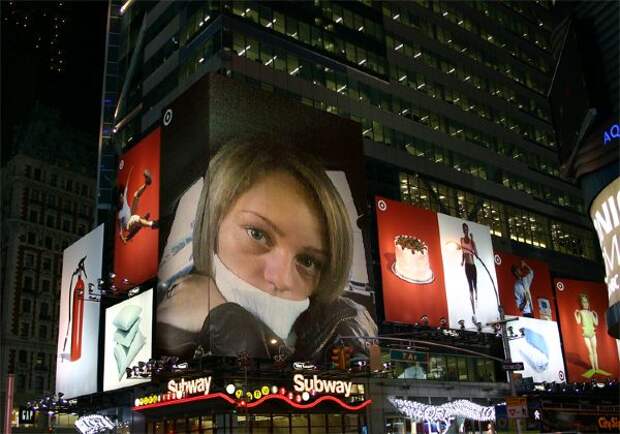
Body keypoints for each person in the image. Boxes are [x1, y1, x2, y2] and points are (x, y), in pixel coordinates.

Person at [156, 137, 377, 363]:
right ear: (212, 228)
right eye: (257, 234)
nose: (281, 279)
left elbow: (370, 375)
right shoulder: (158, 327)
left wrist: (228, 322)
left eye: (307, 261)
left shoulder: (346, 327)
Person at [574, 293, 611, 378]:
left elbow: (596, 323)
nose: (585, 304)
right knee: (590, 351)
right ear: (581, 303)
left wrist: (596, 315)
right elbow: (578, 322)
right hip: (586, 334)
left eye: (586, 302)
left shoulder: (591, 313)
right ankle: (593, 368)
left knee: (595, 351)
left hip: (592, 334)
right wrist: (575, 314)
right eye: (584, 302)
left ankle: (597, 368)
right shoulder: (581, 312)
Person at [117, 168, 158, 243]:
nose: (122, 198)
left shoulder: (123, 197)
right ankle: (153, 224)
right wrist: (123, 236)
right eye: (121, 198)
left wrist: (130, 171)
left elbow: (126, 184)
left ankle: (146, 183)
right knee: (134, 218)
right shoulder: (120, 213)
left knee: (136, 195)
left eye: (122, 196)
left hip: (131, 213)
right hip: (129, 226)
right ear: (118, 201)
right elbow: (120, 228)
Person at [460, 223, 478, 318]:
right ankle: (473, 309)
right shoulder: (461, 240)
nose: (465, 230)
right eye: (464, 229)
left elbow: (476, 253)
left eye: (466, 228)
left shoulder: (471, 241)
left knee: (475, 285)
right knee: (470, 286)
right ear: (463, 230)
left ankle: (477, 302)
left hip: (473, 265)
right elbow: (463, 252)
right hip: (467, 265)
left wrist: (473, 239)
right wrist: (462, 261)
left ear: (468, 229)